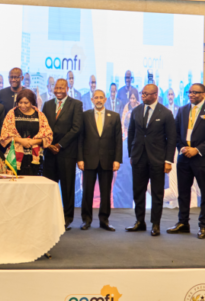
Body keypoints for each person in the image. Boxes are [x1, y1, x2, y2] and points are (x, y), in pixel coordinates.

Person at [168, 83, 205, 239]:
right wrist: (183, 148)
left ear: (203, 94)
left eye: (195, 92)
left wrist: (196, 150)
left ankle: (203, 226)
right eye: (189, 92)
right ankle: (183, 223)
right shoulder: (182, 110)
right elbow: (175, 132)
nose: (191, 95)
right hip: (184, 157)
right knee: (183, 193)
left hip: (203, 158)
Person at [126, 84, 177, 236]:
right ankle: (139, 222)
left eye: (146, 94)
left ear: (155, 95)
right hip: (138, 158)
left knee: (157, 194)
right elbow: (131, 133)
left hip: (157, 160)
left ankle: (155, 224)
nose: (143, 96)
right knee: (138, 192)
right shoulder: (136, 111)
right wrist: (131, 155)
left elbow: (171, 138)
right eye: (142, 93)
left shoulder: (166, 113)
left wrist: (168, 161)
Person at [78, 90, 122, 231]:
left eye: (101, 97)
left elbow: (118, 141)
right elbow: (80, 139)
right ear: (92, 99)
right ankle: (86, 220)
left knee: (105, 192)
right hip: (88, 160)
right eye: (96, 97)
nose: (98, 100)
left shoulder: (114, 116)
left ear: (105, 99)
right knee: (87, 193)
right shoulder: (85, 116)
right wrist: (80, 159)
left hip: (107, 160)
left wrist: (117, 160)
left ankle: (104, 221)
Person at [42, 78, 83, 229]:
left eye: (61, 88)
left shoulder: (76, 104)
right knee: (49, 187)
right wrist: (49, 145)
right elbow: (43, 127)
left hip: (66, 152)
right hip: (49, 153)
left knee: (67, 188)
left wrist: (59, 145)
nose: (58, 90)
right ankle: (48, 217)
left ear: (67, 88)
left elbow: (76, 128)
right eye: (56, 88)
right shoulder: (47, 105)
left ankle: (67, 219)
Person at [0, 88, 53, 176]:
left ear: (32, 102)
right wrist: (21, 141)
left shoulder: (40, 115)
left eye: (26, 103)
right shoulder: (12, 114)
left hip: (35, 158)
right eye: (20, 102)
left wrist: (33, 142)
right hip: (14, 156)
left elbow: (48, 137)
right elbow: (4, 135)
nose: (22, 105)